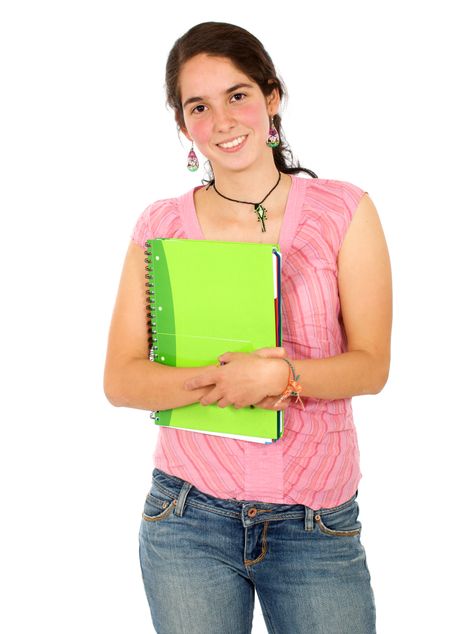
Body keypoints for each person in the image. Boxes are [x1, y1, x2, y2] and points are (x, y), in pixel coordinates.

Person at [103, 21, 392, 634]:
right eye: (199, 107)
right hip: (186, 517)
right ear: (184, 127)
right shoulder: (161, 226)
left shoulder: (344, 211)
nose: (223, 121)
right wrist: (221, 380)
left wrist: (281, 375)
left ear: (271, 97)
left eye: (237, 95)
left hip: (315, 522)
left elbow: (371, 366)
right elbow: (122, 380)